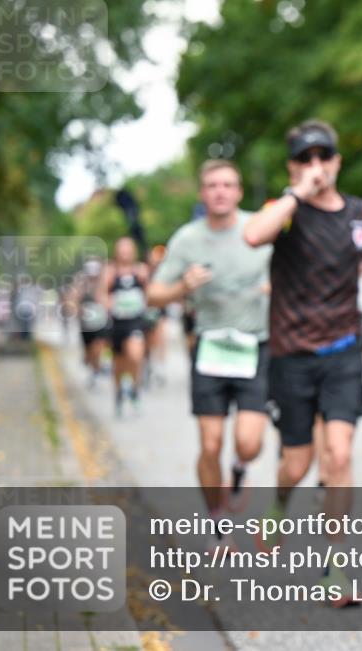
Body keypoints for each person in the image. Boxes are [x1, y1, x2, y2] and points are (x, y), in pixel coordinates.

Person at [244, 119, 362, 604]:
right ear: (292, 165)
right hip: (291, 356)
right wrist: (296, 192)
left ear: (338, 161)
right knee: (296, 463)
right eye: (304, 158)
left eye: (323, 156)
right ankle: (280, 503)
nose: (316, 166)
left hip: (343, 351)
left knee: (339, 456)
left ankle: (337, 566)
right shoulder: (285, 212)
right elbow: (252, 236)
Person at [148, 159, 273, 546]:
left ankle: (239, 468)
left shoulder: (260, 228)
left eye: (228, 185)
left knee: (249, 443)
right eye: (213, 185)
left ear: (237, 192)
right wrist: (182, 286)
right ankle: (219, 525)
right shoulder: (187, 239)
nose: (220, 191)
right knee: (210, 442)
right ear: (203, 194)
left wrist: (278, 287)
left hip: (255, 344)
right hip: (211, 347)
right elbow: (153, 294)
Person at [99, 237, 149, 417]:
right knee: (118, 363)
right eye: (122, 249)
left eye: (128, 248)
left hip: (135, 320)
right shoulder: (110, 271)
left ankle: (134, 388)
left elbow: (150, 292)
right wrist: (108, 304)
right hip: (117, 323)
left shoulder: (141, 270)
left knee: (136, 355)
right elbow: (102, 294)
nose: (125, 252)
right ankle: (119, 394)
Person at [68, 257, 111, 388]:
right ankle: (93, 369)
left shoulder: (104, 283)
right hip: (86, 324)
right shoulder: (81, 285)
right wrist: (77, 311)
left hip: (101, 323)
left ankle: (96, 371)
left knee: (98, 347)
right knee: (89, 351)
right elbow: (72, 301)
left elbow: (108, 301)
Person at [142, 245, 168, 389]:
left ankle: (159, 367)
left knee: (159, 339)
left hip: (159, 311)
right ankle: (147, 365)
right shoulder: (143, 272)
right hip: (144, 311)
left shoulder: (161, 273)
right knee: (146, 343)